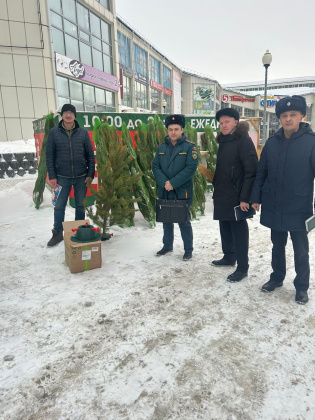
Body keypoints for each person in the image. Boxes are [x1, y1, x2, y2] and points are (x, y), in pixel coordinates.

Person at [251, 95, 315, 304]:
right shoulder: (272, 143)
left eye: (292, 115)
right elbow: (262, 172)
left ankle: (302, 287)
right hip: (274, 204)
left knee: (300, 249)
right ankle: (277, 278)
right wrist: (256, 197)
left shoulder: (311, 143)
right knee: (277, 246)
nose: (288, 119)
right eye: (284, 115)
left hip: (299, 206)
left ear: (302, 116)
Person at [212, 108, 258, 282]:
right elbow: (221, 170)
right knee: (224, 226)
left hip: (238, 195)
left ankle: (242, 267)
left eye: (227, 122)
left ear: (235, 123)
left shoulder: (243, 141)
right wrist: (216, 194)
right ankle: (229, 256)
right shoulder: (224, 141)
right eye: (221, 123)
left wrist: (245, 198)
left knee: (238, 230)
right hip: (223, 193)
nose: (223, 125)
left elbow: (251, 171)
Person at [46, 104, 95, 247]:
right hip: (62, 177)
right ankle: (57, 233)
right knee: (59, 206)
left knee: (80, 206)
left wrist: (90, 174)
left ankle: (79, 231)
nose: (68, 115)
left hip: (81, 176)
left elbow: (90, 156)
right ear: (62, 115)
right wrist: (52, 176)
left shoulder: (83, 133)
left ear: (74, 116)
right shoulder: (54, 133)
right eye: (66, 112)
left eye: (71, 113)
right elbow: (49, 156)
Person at [152, 114, 198, 260]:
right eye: (170, 129)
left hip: (181, 190)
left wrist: (173, 183)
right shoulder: (161, 148)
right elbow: (155, 166)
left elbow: (190, 168)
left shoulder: (190, 147)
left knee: (184, 221)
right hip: (165, 190)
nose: (173, 132)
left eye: (176, 129)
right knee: (166, 220)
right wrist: (164, 182)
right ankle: (167, 246)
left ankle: (188, 249)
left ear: (182, 130)